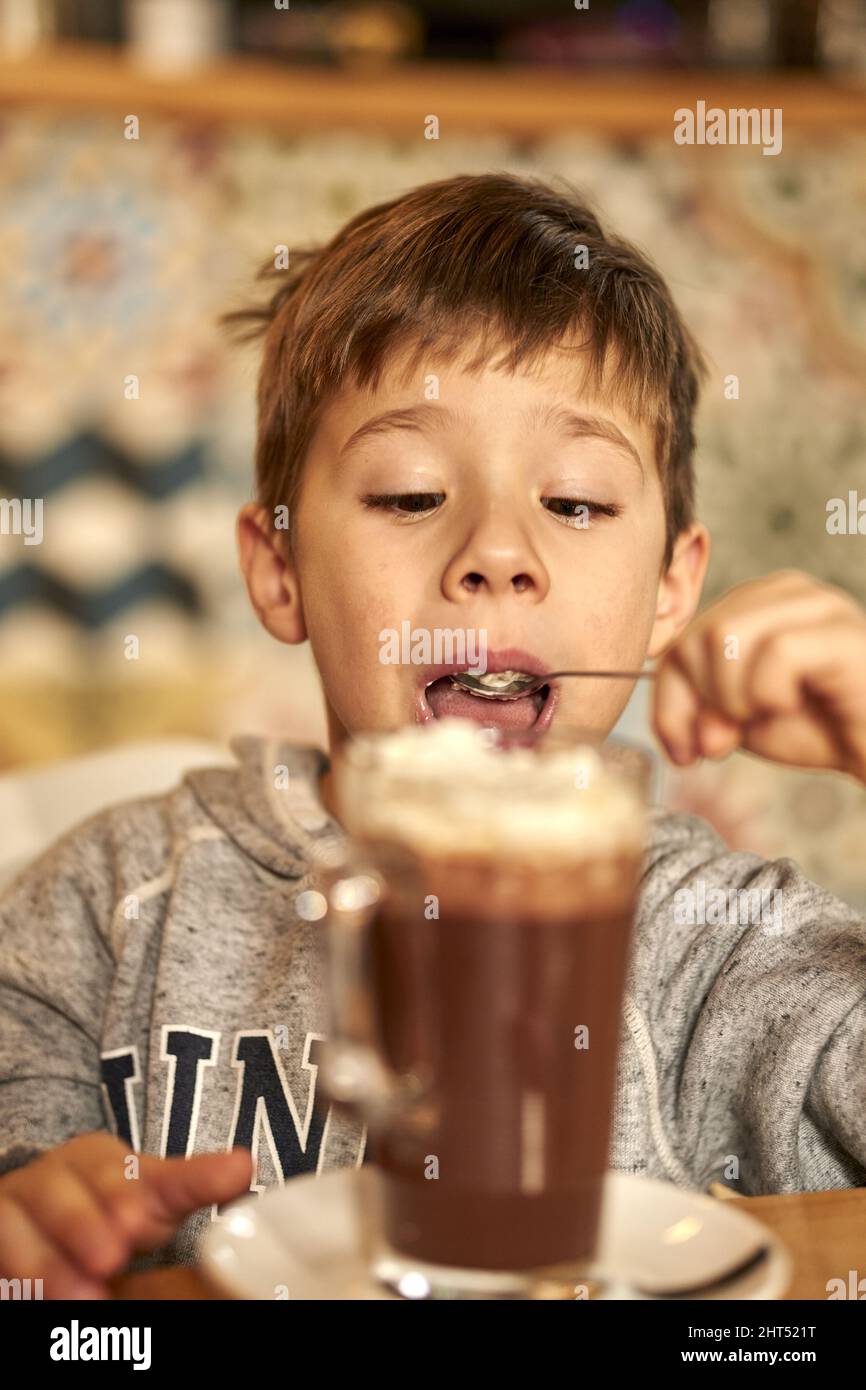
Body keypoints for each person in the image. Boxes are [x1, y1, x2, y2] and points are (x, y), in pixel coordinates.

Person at [1, 173, 864, 1299]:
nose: (497, 551)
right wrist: (35, 1221)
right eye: (408, 495)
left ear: (668, 587)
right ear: (278, 568)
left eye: (577, 502)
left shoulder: (728, 943)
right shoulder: (99, 908)